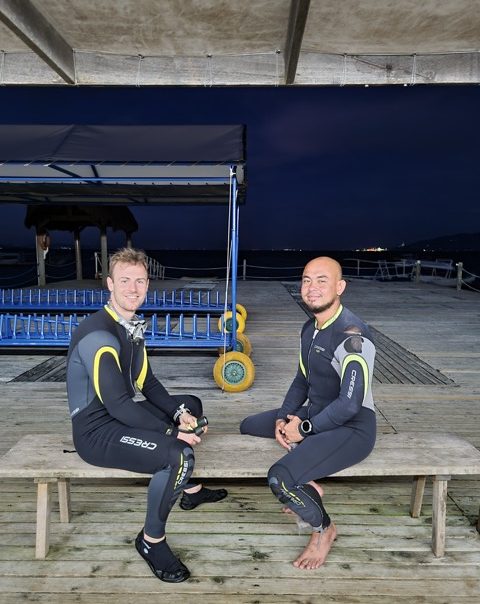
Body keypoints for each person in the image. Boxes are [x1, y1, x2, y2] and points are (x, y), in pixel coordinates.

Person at [66, 247, 227, 583]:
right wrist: (173, 433)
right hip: (96, 432)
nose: (133, 288)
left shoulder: (130, 326)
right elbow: (118, 405)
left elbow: (147, 383)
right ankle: (151, 541)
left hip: (119, 415)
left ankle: (190, 492)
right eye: (125, 280)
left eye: (140, 281)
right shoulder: (98, 335)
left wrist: (180, 415)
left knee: (191, 404)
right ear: (110, 284)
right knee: (178, 455)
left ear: (148, 284)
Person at [240, 256, 376, 569]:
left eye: (322, 280)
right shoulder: (310, 328)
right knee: (248, 426)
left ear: (340, 287)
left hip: (352, 428)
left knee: (280, 478)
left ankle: (324, 529)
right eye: (306, 280)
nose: (312, 287)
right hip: (315, 412)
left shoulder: (353, 335)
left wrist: (302, 429)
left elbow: (350, 404)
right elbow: (302, 379)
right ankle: (310, 482)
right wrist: (283, 417)